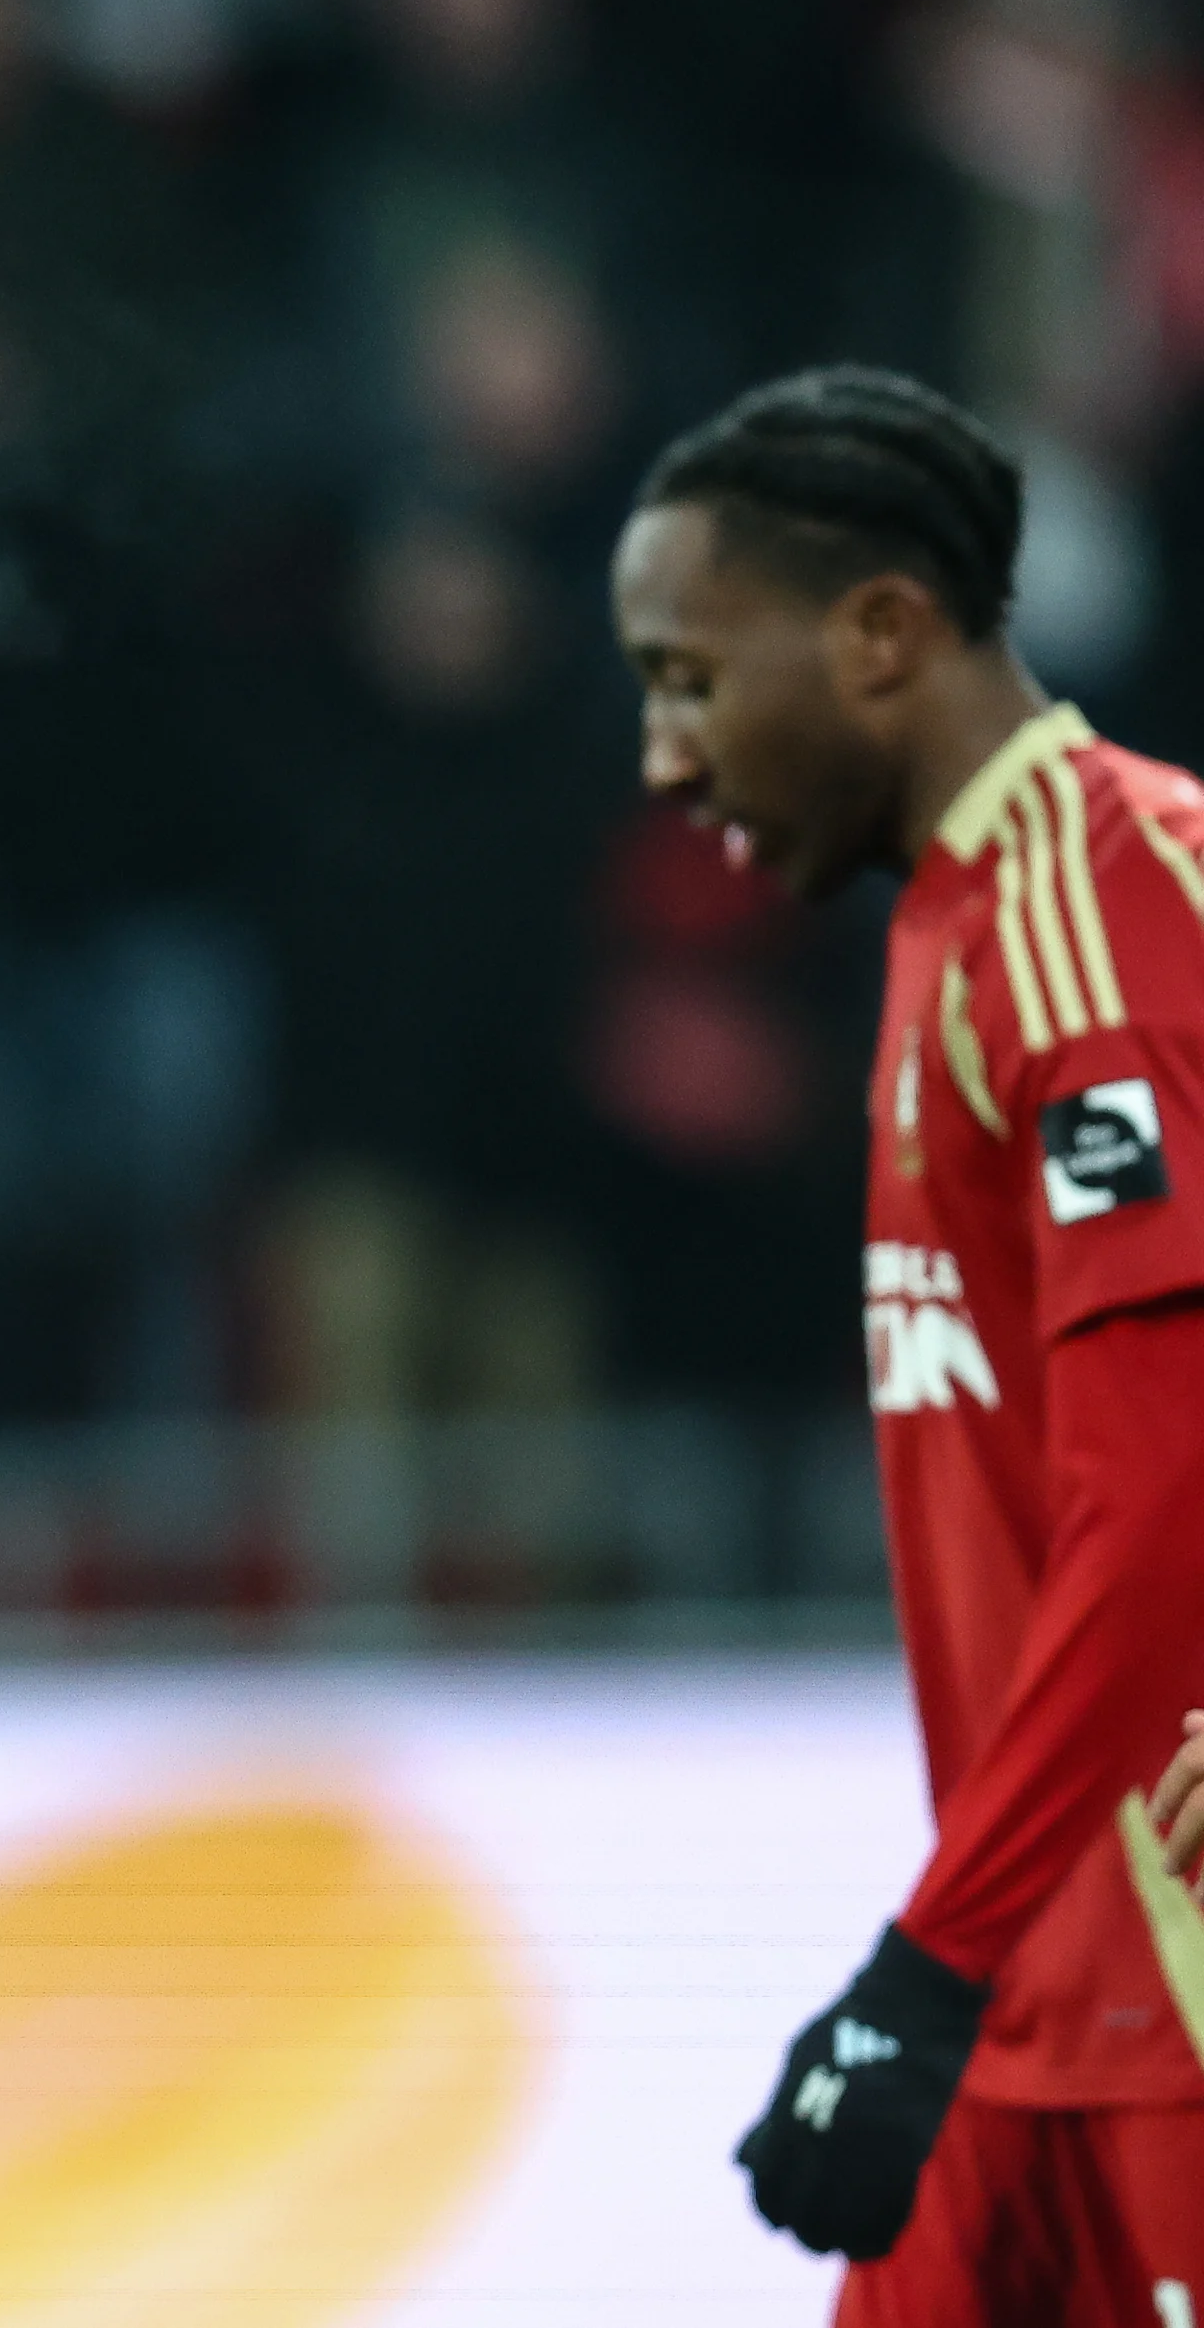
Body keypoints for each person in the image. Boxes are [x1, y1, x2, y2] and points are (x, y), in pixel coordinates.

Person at [611, 364, 1204, 2313]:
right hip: (1038, 1967)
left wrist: (922, 1963)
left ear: (881, 633)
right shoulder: (967, 920)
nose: (665, 757)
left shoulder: (1097, 918)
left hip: (1156, 1997)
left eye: (691, 677)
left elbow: (1155, 1495)